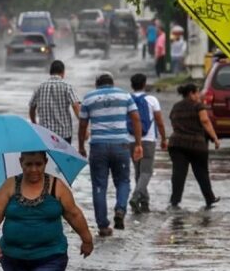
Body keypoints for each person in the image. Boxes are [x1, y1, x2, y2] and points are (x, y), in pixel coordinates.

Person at [78, 72, 144, 237]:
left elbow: (82, 124)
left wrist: (81, 146)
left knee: (99, 185)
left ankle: (103, 226)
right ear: (112, 83)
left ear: (97, 84)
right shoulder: (124, 95)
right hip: (120, 145)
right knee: (123, 181)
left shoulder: (89, 98)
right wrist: (138, 143)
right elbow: (136, 118)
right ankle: (120, 209)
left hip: (98, 146)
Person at [168, 84, 221, 209]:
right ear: (191, 94)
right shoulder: (198, 106)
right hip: (196, 145)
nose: (199, 95)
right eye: (197, 93)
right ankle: (209, 198)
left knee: (178, 173)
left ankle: (175, 200)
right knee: (201, 172)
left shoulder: (176, 106)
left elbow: (172, 120)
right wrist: (214, 138)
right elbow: (205, 121)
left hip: (177, 144)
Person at [127, 73, 167, 214]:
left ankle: (144, 203)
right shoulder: (152, 100)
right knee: (146, 172)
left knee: (138, 172)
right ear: (144, 84)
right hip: (148, 140)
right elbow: (160, 122)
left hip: (132, 140)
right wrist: (164, 138)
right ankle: (136, 196)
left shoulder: (128, 99)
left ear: (132, 85)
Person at [29, 60, 81, 144]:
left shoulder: (39, 87)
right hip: (64, 135)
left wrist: (35, 124)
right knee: (64, 157)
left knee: (47, 157)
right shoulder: (67, 87)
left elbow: (32, 108)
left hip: (45, 135)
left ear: (50, 72)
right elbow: (76, 107)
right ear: (63, 72)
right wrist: (84, 128)